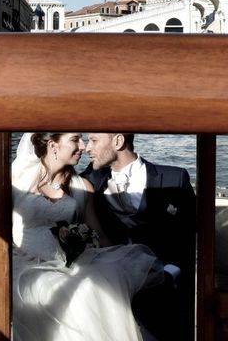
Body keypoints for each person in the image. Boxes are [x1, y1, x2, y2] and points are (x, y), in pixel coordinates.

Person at [0, 132, 166, 341]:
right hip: (19, 262)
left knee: (92, 287)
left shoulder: (82, 187)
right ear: (53, 145)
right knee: (60, 290)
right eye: (75, 140)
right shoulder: (21, 177)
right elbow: (1, 207)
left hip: (63, 264)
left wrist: (120, 258)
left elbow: (97, 233)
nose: (83, 146)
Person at [83, 133, 196, 341]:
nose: (86, 148)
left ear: (118, 142)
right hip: (114, 288)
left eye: (94, 140)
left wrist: (171, 271)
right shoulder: (89, 181)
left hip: (167, 285)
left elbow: (191, 232)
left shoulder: (175, 178)